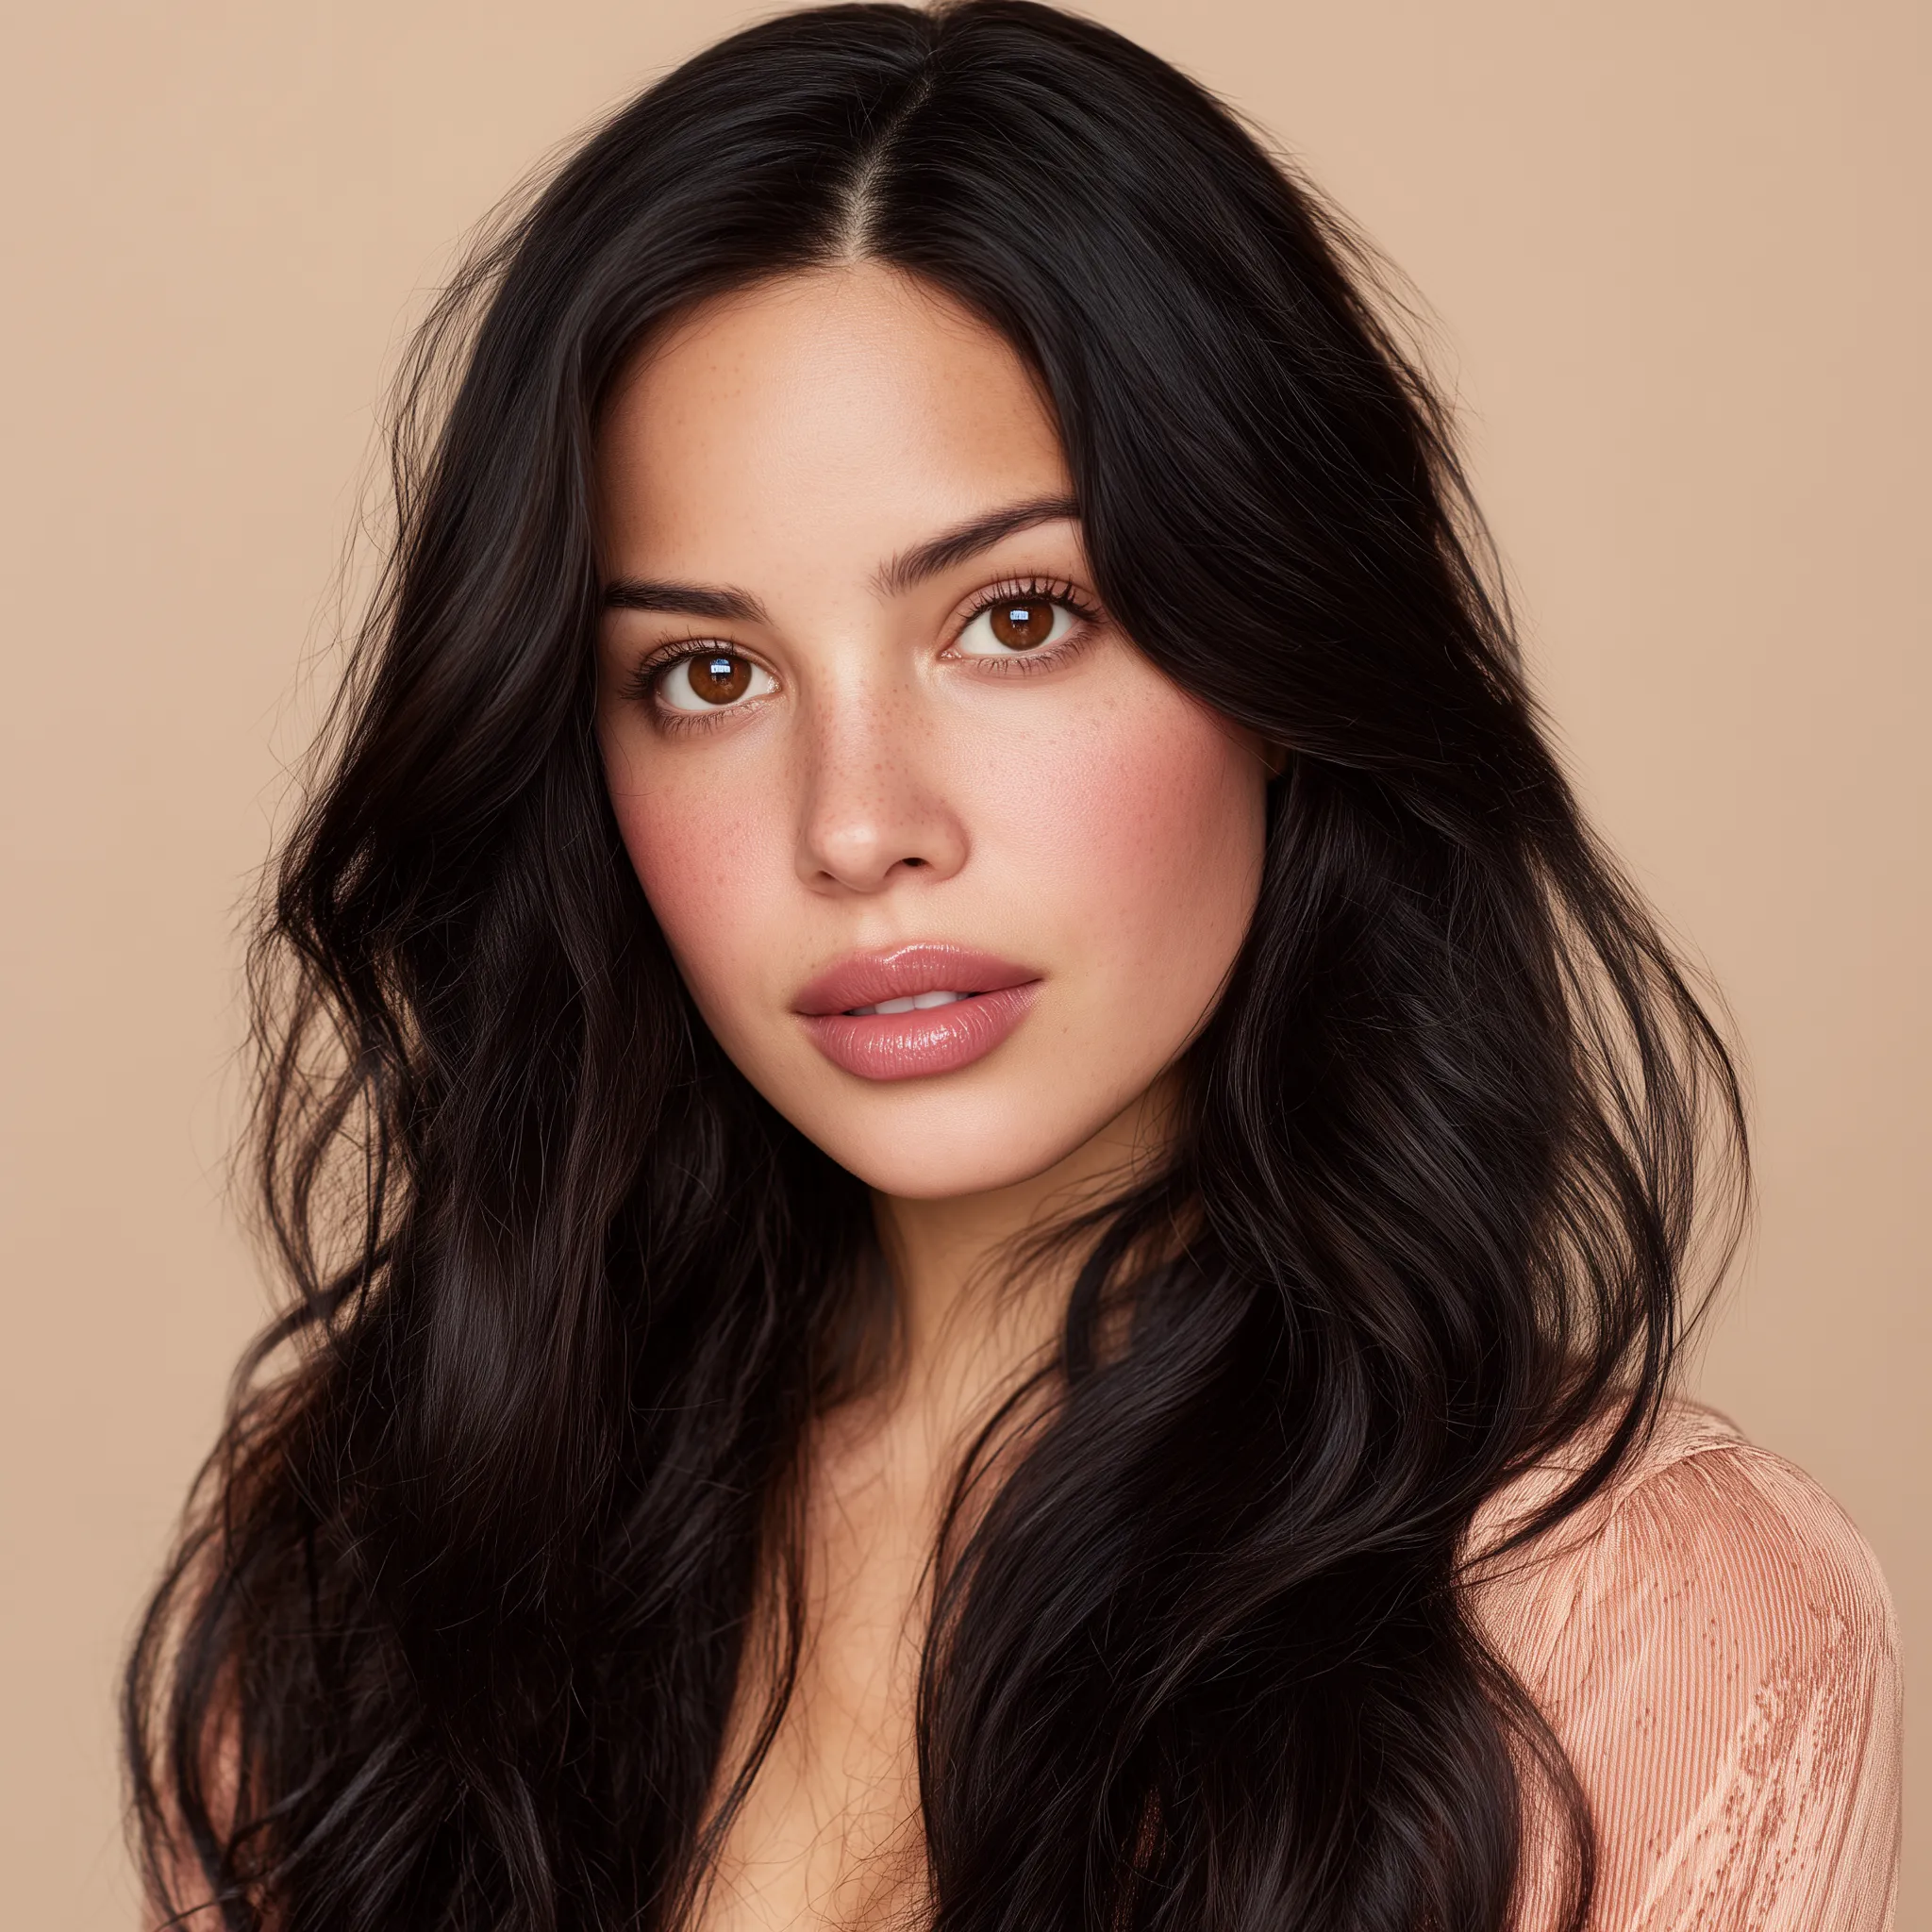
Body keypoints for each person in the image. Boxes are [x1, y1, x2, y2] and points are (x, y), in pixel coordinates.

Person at [125, 5, 1900, 1928]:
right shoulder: (375, 1560)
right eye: (706, 674)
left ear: (1280, 655)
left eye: (1019, 617)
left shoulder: (1648, 1633)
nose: (857, 822)